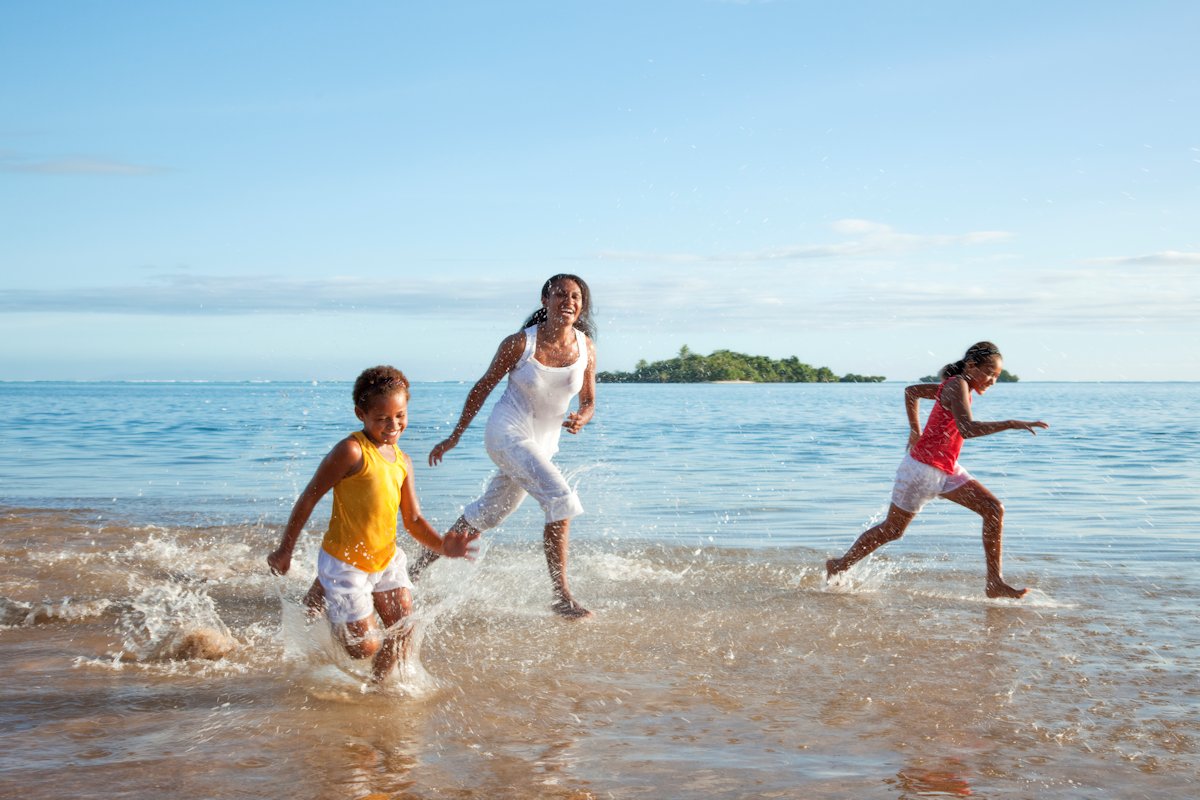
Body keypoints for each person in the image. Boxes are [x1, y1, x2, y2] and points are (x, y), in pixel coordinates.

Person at [267, 366, 479, 682]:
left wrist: (442, 545)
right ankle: (326, 586)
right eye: (382, 418)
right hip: (346, 564)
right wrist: (285, 550)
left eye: (400, 415)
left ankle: (379, 690)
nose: (393, 425)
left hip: (386, 559)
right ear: (361, 414)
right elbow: (308, 498)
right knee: (364, 647)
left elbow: (414, 519)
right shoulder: (351, 451)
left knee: (404, 628)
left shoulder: (403, 461)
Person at [411, 274, 598, 619]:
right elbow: (482, 388)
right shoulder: (519, 344)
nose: (568, 301)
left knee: (488, 513)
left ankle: (415, 569)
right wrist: (454, 437)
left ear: (581, 306)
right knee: (561, 498)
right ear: (545, 300)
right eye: (561, 295)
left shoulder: (586, 347)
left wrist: (582, 418)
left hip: (543, 445)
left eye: (575, 297)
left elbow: (588, 400)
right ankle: (561, 596)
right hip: (506, 433)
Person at [825, 342, 1048, 598]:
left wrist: (914, 429)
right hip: (921, 470)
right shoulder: (957, 385)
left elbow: (911, 392)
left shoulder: (957, 386)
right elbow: (967, 429)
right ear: (972, 366)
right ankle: (839, 565)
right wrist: (1010, 423)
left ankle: (994, 583)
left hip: (946, 468)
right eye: (989, 373)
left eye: (997, 377)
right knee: (892, 530)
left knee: (993, 509)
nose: (992, 381)